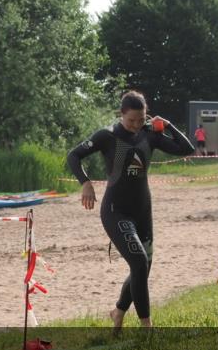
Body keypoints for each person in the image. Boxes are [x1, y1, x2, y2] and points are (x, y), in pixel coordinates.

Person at [68, 91, 195, 331]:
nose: (136, 125)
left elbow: (186, 149)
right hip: (116, 211)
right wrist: (85, 182)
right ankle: (147, 325)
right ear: (121, 115)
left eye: (141, 119)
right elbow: (74, 156)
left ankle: (118, 312)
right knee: (138, 262)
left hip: (143, 210)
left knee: (143, 266)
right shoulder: (108, 136)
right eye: (131, 120)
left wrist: (167, 125)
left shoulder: (150, 134)